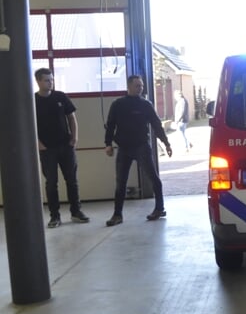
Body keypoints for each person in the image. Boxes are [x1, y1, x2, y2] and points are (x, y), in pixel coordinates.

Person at [103, 75, 173, 226]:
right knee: (120, 182)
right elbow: (110, 125)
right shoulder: (118, 104)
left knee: (153, 177)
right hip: (124, 148)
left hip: (141, 146)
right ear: (129, 87)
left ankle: (159, 208)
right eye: (137, 86)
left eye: (141, 86)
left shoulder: (146, 105)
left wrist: (166, 143)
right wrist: (108, 143)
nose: (140, 88)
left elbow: (156, 124)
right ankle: (117, 215)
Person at [34, 68, 89, 227]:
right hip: (47, 149)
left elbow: (71, 117)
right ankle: (55, 216)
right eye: (46, 80)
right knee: (51, 183)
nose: (50, 82)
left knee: (72, 180)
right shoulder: (33, 101)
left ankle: (76, 212)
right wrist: (38, 143)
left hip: (65, 146)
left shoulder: (60, 97)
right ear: (38, 81)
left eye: (51, 79)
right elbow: (29, 124)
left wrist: (74, 137)